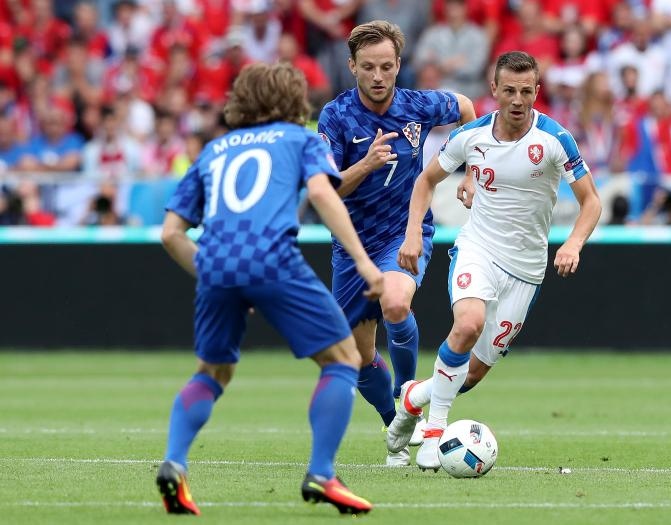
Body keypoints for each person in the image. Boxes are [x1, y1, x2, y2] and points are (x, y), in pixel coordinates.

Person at [156, 63, 382, 516]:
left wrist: (220, 274)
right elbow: (321, 194)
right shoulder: (299, 139)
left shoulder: (214, 150)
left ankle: (174, 464)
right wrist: (363, 262)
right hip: (272, 257)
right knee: (343, 358)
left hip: (216, 263)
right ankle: (322, 472)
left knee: (212, 371)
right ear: (292, 100)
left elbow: (170, 233)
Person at [387, 51, 602, 470]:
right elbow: (426, 180)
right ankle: (433, 433)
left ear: (537, 92)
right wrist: (412, 231)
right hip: (479, 249)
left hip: (526, 269)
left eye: (526, 92)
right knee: (467, 324)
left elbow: (590, 200)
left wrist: (575, 241)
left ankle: (412, 397)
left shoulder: (556, 139)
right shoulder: (471, 136)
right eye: (509, 91)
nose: (518, 100)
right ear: (494, 91)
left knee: (469, 376)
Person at [316, 19, 476, 467]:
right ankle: (395, 423)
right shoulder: (335, 117)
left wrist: (472, 173)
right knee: (357, 355)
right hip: (351, 245)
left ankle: (410, 403)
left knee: (396, 303)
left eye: (387, 66)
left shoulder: (418, 104)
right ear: (353, 67)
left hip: (404, 232)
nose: (379, 75)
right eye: (369, 67)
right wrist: (365, 164)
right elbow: (326, 191)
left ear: (398, 65)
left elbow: (467, 108)